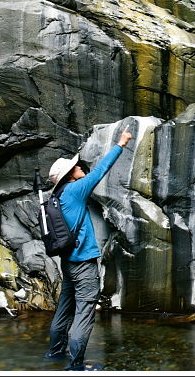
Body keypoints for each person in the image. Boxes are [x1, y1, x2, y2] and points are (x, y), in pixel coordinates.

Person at [43, 126, 133, 371]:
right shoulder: (75, 189)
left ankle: (54, 354)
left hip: (68, 263)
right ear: (70, 174)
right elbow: (102, 170)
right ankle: (76, 366)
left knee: (64, 309)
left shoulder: (57, 195)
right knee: (84, 314)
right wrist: (121, 143)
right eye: (77, 166)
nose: (81, 166)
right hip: (83, 264)